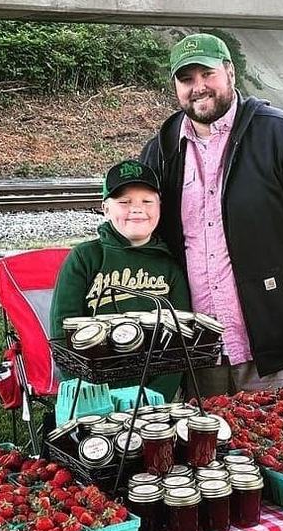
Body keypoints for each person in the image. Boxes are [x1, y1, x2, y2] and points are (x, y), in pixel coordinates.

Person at [141, 32, 283, 404]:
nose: (198, 88)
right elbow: (139, 228)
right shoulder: (162, 149)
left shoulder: (281, 134)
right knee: (209, 454)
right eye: (186, 79)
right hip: (198, 348)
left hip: (276, 341)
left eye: (207, 75)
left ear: (230, 73)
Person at [49, 159, 190, 401]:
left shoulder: (170, 266)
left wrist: (156, 395)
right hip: (93, 394)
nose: (137, 209)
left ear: (159, 207)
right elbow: (62, 334)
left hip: (154, 396)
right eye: (124, 202)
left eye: (147, 201)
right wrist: (90, 394)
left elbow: (181, 341)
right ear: (105, 208)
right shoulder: (85, 258)